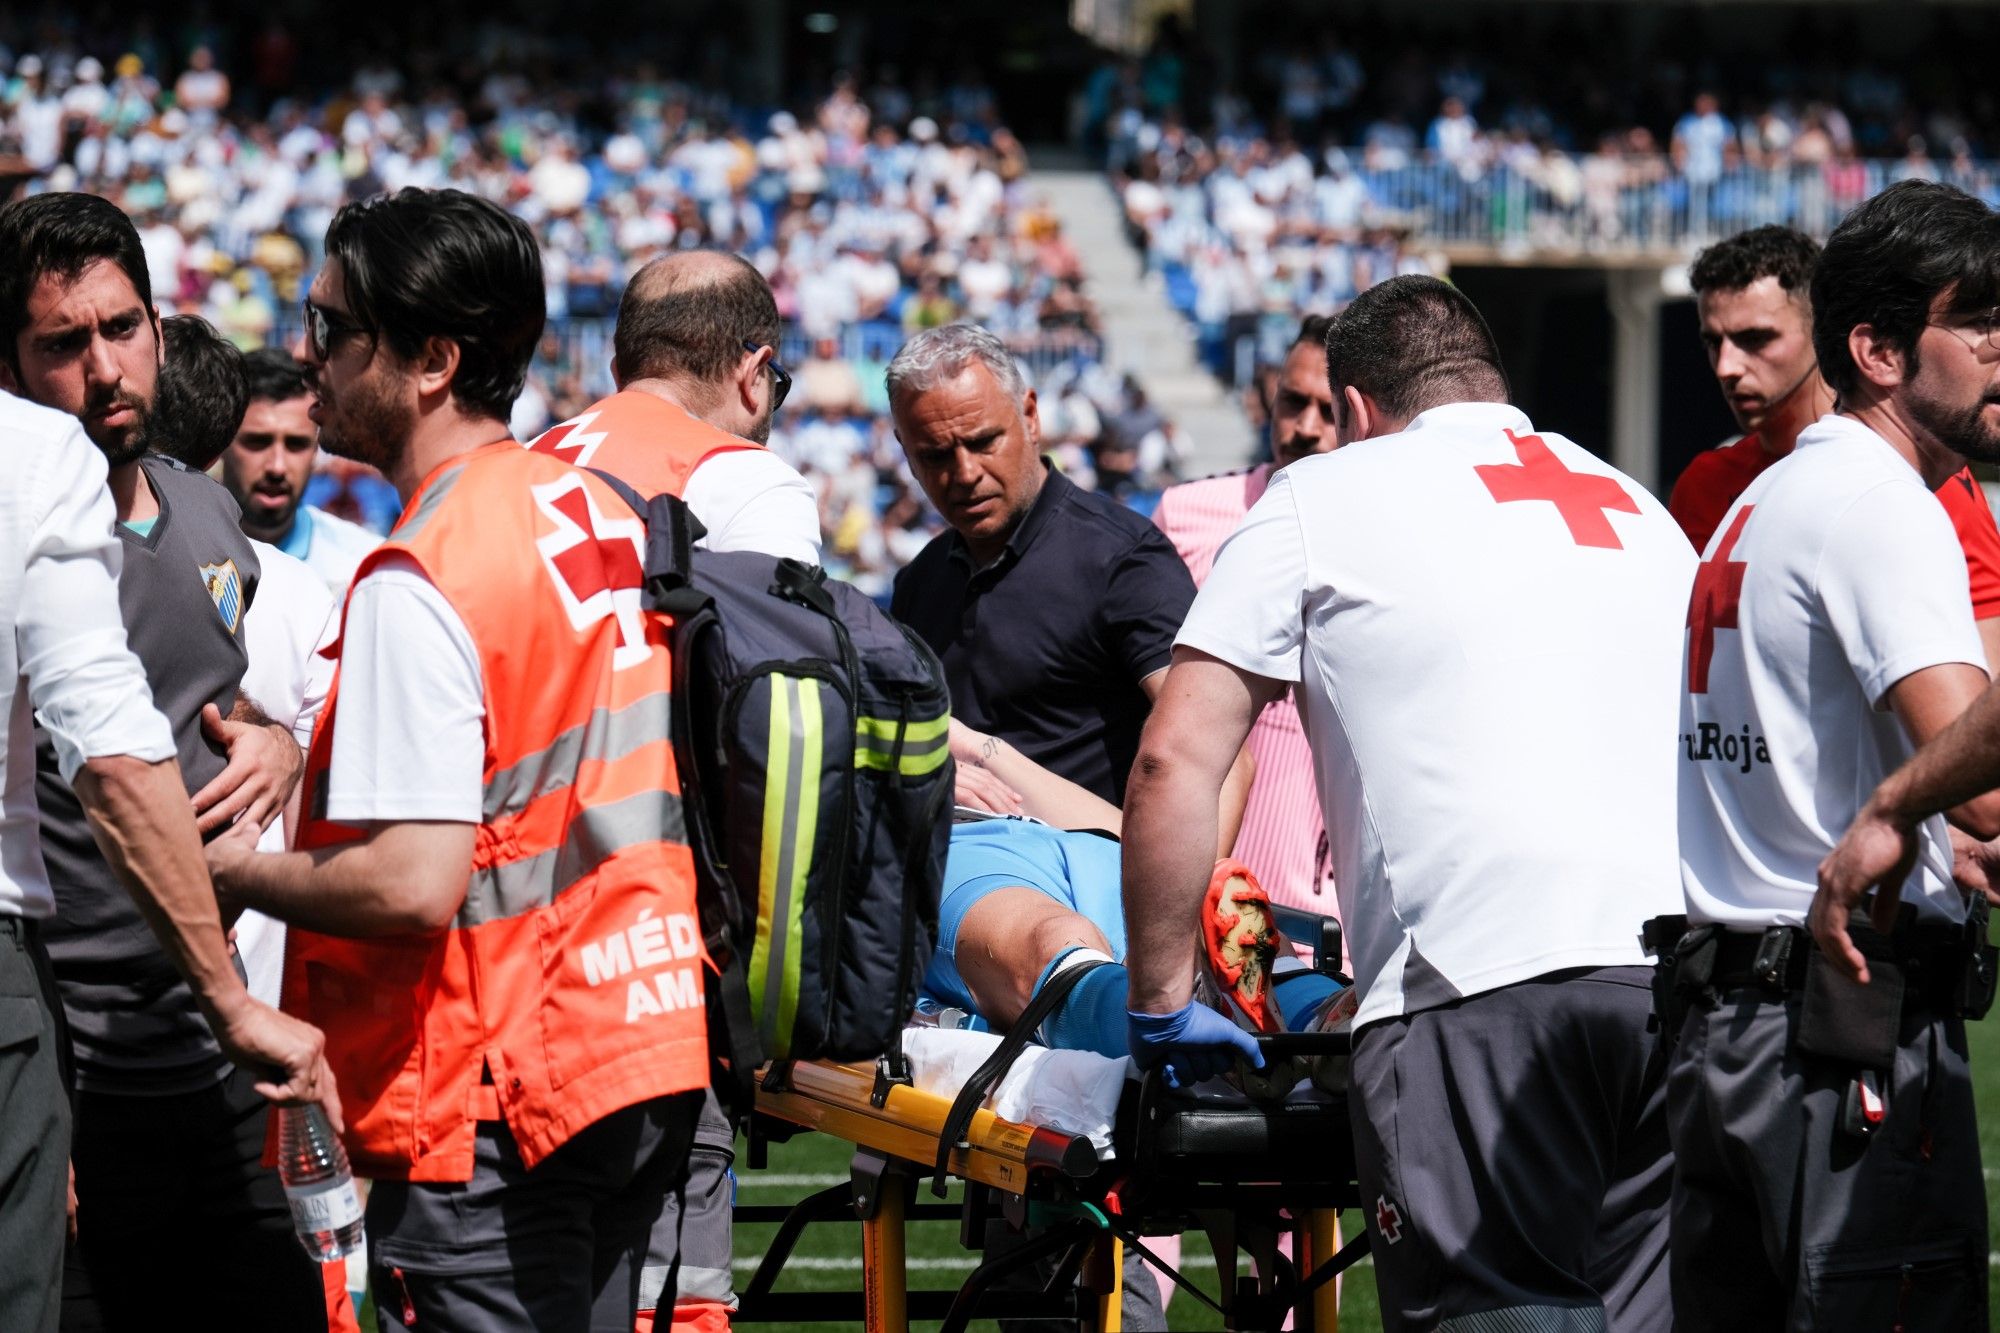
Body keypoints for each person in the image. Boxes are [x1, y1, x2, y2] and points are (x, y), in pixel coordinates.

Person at [1121, 274, 1693, 1331]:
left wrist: (1160, 1005)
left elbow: (1172, 761)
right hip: (1678, 985)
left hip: (1475, 988)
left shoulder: (1318, 495)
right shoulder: (1634, 506)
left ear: (1352, 411)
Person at [203, 187, 707, 1333]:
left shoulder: (423, 566)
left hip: (498, 1082)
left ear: (430, 359)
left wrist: (231, 872)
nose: (310, 355)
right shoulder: (596, 509)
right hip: (634, 1035)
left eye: (333, 328)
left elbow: (411, 882)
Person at [1671, 180, 2000, 1329]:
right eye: (1977, 322)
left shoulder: (1758, 499)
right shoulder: (1882, 504)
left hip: (1724, 1027)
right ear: (1876, 349)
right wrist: (1909, 807)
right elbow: (1991, 783)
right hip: (1833, 1026)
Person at [0, 191, 330, 1331]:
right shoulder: (20, 528)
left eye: (122, 327)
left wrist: (278, 743)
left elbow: (214, 700)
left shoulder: (206, 511)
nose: (105, 368)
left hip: (212, 1042)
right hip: (70, 1052)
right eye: (62, 344)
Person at [532, 250, 818, 1333]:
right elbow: (781, 731)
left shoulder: (526, 465)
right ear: (754, 371)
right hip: (658, 942)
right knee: (669, 1291)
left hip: (517, 940)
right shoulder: (739, 477)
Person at [886, 323, 1202, 807]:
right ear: (905, 453)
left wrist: (1183, 878)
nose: (965, 474)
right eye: (935, 455)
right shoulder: (919, 582)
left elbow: (1208, 749)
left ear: (1030, 417)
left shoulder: (1122, 559)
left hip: (1096, 873)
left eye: (983, 441)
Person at [1668, 225, 2000, 670]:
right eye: (1714, 342)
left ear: (1817, 331)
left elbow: (1985, 679)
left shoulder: (1933, 481)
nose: (1727, 366)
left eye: (1756, 339)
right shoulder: (1704, 485)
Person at [1151, 315, 1337, 915]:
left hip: (1341, 924)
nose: (1305, 428)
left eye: (1329, 412)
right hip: (1205, 901)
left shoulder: (1394, 550)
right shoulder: (1185, 518)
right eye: (1292, 402)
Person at [526, 249, 819, 564]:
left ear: (617, 373)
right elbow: (780, 614)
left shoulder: (523, 459)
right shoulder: (755, 484)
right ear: (754, 372)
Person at [219, 346, 379, 596]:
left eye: (296, 444)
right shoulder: (177, 558)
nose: (277, 467)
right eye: (258, 442)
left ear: (316, 449)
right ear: (221, 443)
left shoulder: (363, 571)